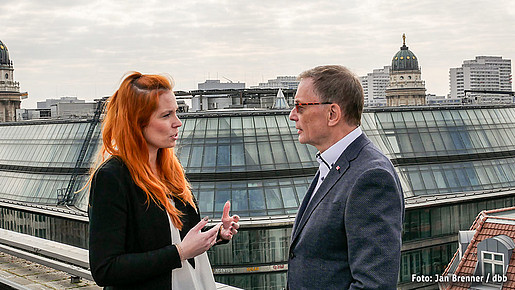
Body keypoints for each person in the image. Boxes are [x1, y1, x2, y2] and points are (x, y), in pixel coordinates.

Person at [88, 72, 240, 289]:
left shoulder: (170, 169)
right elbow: (106, 268)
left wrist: (216, 234)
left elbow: (177, 237)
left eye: (176, 113)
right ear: (136, 123)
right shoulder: (112, 177)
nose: (177, 123)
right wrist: (180, 253)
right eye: (166, 115)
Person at [287, 65, 404, 289]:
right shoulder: (333, 162)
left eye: (300, 106)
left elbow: (374, 285)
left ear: (332, 114)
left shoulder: (372, 177)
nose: (292, 115)